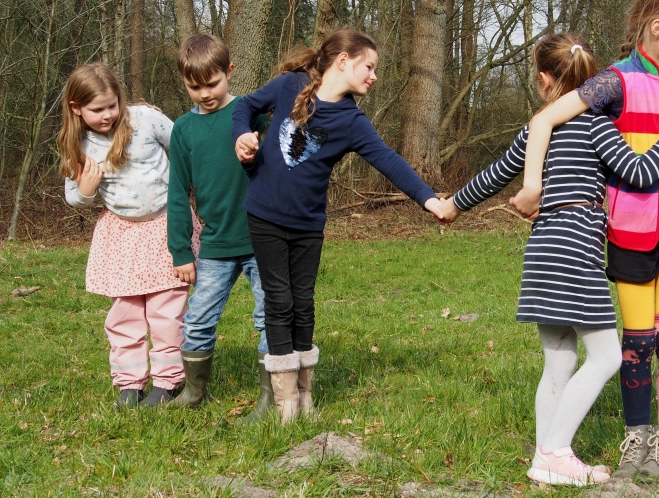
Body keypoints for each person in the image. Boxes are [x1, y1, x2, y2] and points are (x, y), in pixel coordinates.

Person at [438, 32, 659, 486]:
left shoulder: (534, 133)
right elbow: (639, 173)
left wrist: (451, 206)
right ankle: (556, 451)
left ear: (543, 81)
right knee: (604, 357)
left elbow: (495, 176)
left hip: (542, 247)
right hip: (576, 244)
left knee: (559, 360)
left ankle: (546, 458)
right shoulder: (597, 125)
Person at [517, 0, 659, 480]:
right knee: (638, 339)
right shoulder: (612, 82)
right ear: (658, 26)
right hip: (632, 228)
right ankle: (636, 438)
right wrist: (535, 186)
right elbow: (544, 121)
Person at [233, 29, 446, 424]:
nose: (374, 76)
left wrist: (429, 199)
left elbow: (388, 160)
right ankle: (285, 407)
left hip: (308, 224)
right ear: (343, 60)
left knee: (304, 302)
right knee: (278, 301)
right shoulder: (289, 86)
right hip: (263, 215)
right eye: (369, 66)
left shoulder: (351, 120)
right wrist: (242, 134)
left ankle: (304, 397)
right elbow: (244, 106)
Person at [58, 63, 198, 408]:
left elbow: (183, 144)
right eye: (97, 109)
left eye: (112, 105)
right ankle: (129, 383)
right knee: (125, 314)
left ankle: (168, 382)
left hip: (167, 224)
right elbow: (73, 195)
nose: (108, 115)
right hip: (122, 235)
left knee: (167, 313)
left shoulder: (145, 121)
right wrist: (86, 191)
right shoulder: (79, 143)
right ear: (76, 108)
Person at [166, 34, 271, 421]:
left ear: (230, 72)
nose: (205, 93)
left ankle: (270, 399)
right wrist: (180, 250)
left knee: (269, 318)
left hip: (263, 238)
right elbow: (177, 193)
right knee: (197, 320)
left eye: (212, 83)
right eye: (195, 87)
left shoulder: (249, 112)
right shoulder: (183, 131)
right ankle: (194, 391)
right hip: (214, 243)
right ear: (184, 82)